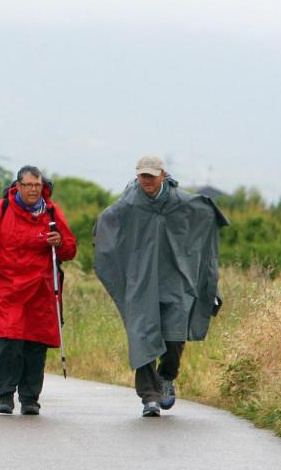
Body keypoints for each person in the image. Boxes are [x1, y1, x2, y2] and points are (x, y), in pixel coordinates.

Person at [94, 155, 229, 417]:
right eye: (143, 175)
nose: (147, 180)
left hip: (176, 280)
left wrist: (214, 217)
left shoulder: (180, 201)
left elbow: (203, 212)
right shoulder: (129, 202)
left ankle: (166, 376)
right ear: (137, 175)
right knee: (142, 336)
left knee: (175, 336)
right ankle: (150, 397)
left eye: (151, 176)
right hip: (141, 282)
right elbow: (107, 224)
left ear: (163, 175)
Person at [0, 166, 77, 415]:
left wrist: (59, 242)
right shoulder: (0, 210)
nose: (32, 190)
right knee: (9, 341)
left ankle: (30, 398)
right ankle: (5, 395)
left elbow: (70, 249)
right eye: (28, 185)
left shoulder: (51, 212)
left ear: (43, 187)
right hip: (8, 287)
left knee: (35, 345)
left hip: (41, 289)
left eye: (37, 186)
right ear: (17, 186)